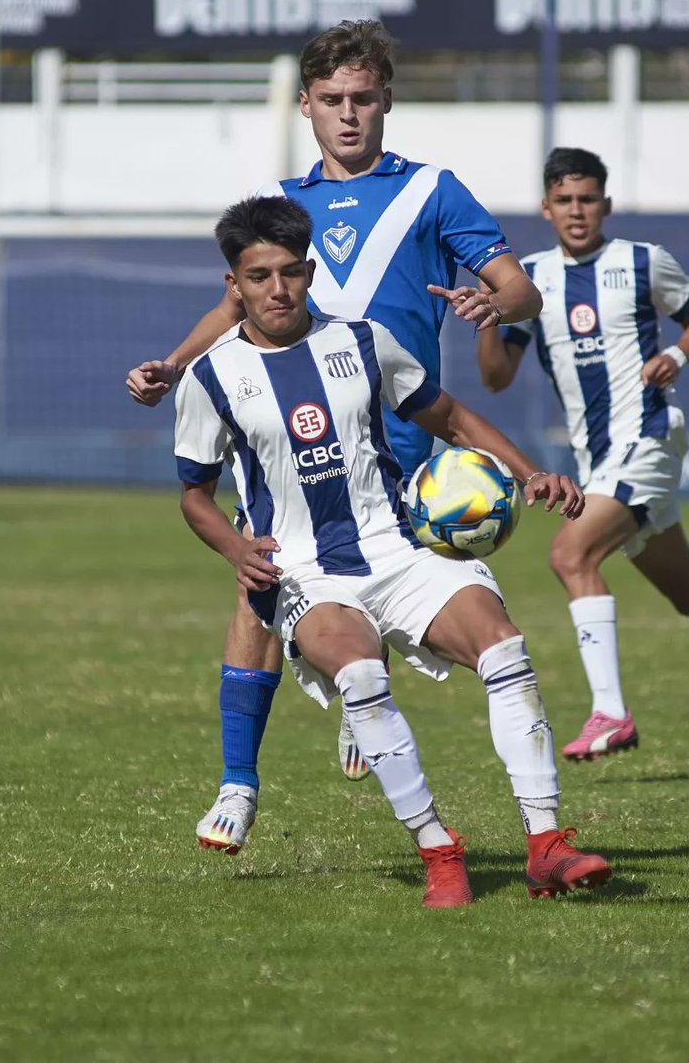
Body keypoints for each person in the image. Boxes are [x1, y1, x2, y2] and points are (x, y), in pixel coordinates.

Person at [126, 20, 543, 849]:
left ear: (387, 100)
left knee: (419, 603)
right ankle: (239, 783)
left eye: (362, 98)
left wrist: (499, 305)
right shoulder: (284, 207)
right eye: (330, 102)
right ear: (309, 109)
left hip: (406, 446)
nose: (348, 115)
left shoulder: (433, 192)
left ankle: (366, 699)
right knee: (259, 577)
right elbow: (234, 306)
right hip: (290, 437)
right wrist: (175, 364)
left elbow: (517, 286)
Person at [174, 192, 611, 907]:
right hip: (309, 573)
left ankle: (546, 846)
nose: (277, 289)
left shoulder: (364, 341)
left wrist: (532, 476)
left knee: (504, 649)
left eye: (289, 272)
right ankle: (439, 851)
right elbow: (194, 493)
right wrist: (235, 548)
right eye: (258, 276)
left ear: (311, 271)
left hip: (402, 551)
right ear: (234, 285)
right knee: (362, 676)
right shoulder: (211, 378)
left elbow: (452, 417)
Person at [476, 147, 689, 761]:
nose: (577, 211)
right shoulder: (531, 281)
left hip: (651, 437)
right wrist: (486, 312)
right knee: (688, 595)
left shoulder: (642, 262)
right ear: (546, 208)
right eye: (565, 200)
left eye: (587, 199)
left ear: (606, 205)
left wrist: (679, 356)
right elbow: (497, 377)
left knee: (569, 552)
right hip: (598, 457)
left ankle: (611, 712)